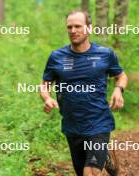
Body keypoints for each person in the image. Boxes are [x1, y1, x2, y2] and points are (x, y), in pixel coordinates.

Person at [39, 10, 128, 176]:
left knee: (91, 172)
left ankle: (100, 161)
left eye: (78, 26)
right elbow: (44, 85)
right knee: (82, 172)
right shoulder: (57, 57)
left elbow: (121, 76)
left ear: (89, 28)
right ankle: (106, 159)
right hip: (72, 126)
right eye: (69, 27)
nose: (73, 30)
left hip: (99, 123)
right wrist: (47, 97)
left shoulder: (105, 54)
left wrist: (118, 89)